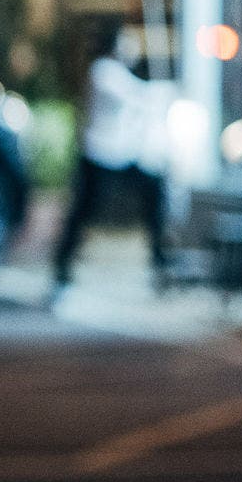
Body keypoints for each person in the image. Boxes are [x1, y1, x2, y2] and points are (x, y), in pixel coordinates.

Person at [52, 22, 170, 293]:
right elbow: (135, 94)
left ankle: (158, 260)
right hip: (99, 155)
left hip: (123, 154)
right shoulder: (103, 72)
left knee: (154, 194)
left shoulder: (119, 74)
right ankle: (63, 266)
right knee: (82, 211)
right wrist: (161, 91)